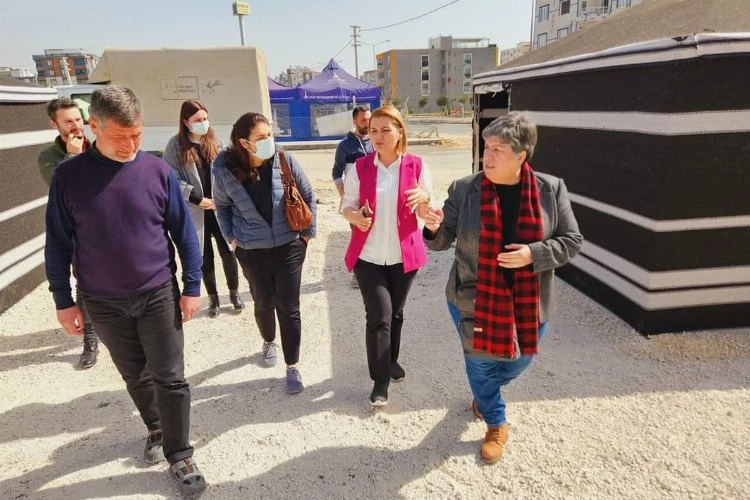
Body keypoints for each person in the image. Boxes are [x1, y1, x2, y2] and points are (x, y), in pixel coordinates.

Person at [44, 86, 207, 495]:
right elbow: (58, 244)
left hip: (157, 293)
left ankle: (179, 452)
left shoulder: (157, 171)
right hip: (102, 302)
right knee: (135, 374)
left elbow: (185, 234)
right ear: (94, 126)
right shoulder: (69, 177)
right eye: (120, 137)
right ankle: (156, 427)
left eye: (137, 135)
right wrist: (63, 301)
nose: (131, 145)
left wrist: (192, 286)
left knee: (170, 377)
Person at [423, 112, 583, 464]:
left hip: (529, 301)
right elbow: (442, 240)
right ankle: (496, 422)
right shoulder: (465, 189)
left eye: (498, 149)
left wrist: (533, 254)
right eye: (486, 147)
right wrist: (433, 227)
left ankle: (485, 393)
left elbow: (571, 241)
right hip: (473, 298)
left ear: (521, 155)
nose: (488, 156)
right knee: (481, 365)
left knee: (520, 360)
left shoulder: (551, 189)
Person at [213, 112, 317, 395]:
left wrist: (307, 234)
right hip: (251, 250)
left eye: (270, 134)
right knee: (263, 303)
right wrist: (232, 240)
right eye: (261, 137)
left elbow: (308, 194)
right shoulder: (223, 169)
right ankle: (269, 340)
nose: (269, 140)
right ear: (244, 143)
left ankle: (292, 366)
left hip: (290, 246)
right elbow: (222, 208)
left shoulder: (284, 159)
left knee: (290, 306)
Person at [341, 104, 432, 407]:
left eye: (385, 130)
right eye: (373, 130)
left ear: (400, 132)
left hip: (403, 257)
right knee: (379, 316)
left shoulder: (417, 166)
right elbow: (347, 206)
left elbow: (425, 211)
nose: (377, 136)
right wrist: (355, 217)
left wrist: (426, 201)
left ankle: (391, 360)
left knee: (395, 313)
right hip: (368, 257)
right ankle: (380, 380)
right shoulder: (360, 167)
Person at [163, 100, 244, 318]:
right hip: (196, 208)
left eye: (205, 118)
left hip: (219, 206)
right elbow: (171, 177)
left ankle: (234, 293)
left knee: (228, 251)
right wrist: (196, 198)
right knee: (204, 255)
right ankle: (214, 297)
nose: (203, 123)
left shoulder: (214, 141)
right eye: (197, 120)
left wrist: (224, 196)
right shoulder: (175, 146)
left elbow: (227, 171)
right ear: (185, 122)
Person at [38, 97, 99, 369]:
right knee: (84, 284)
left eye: (78, 119)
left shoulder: (99, 147)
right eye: (68, 121)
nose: (75, 125)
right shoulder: (49, 157)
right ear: (55, 124)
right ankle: (90, 339)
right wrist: (72, 157)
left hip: (106, 227)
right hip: (76, 231)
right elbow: (58, 188)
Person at [333, 105, 374, 289]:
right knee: (359, 236)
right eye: (363, 120)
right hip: (356, 201)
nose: (367, 123)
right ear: (354, 121)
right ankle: (359, 274)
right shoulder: (345, 146)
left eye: (369, 119)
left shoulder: (375, 141)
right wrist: (345, 196)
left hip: (376, 197)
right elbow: (336, 173)